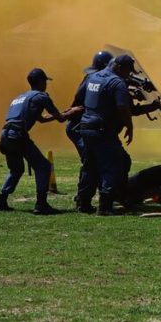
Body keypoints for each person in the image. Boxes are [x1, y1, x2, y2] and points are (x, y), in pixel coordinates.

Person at [0, 68, 81, 214]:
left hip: (5, 135)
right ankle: (41, 204)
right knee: (43, 167)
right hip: (18, 135)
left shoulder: (20, 97)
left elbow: (41, 119)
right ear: (41, 82)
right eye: (45, 81)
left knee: (15, 170)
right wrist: (73, 111)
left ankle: (1, 200)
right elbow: (60, 119)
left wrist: (65, 112)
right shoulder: (41, 97)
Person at [79, 54, 135, 215]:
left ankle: (83, 203)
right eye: (127, 70)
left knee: (90, 166)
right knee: (115, 163)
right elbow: (123, 108)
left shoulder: (93, 77)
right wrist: (129, 127)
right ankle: (105, 205)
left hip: (86, 127)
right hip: (102, 130)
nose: (128, 74)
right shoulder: (117, 83)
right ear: (118, 67)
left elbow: (81, 98)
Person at [67, 50, 112, 213]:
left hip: (81, 126)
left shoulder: (92, 79)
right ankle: (84, 200)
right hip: (79, 127)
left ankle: (84, 200)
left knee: (91, 162)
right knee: (90, 163)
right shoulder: (94, 80)